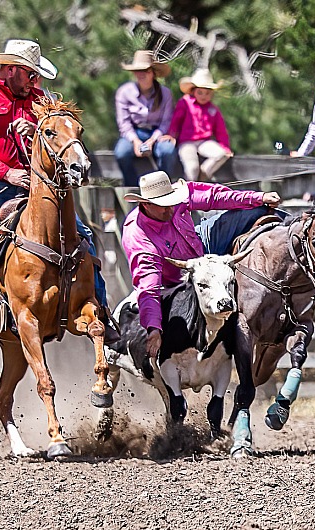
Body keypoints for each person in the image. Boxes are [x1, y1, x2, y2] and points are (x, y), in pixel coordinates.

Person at [0, 39, 113, 354]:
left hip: (36, 186)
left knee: (82, 235)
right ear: (10, 69)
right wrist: (6, 171)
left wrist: (37, 129)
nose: (35, 81)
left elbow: (56, 135)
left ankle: (101, 308)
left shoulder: (39, 99)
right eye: (30, 74)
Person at [122, 170, 280, 357]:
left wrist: (259, 197)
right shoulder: (139, 239)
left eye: (172, 202)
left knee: (260, 210)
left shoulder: (176, 197)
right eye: (163, 206)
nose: (170, 208)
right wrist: (154, 328)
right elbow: (149, 287)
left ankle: (303, 244)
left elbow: (213, 197)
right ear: (145, 204)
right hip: (181, 276)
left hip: (201, 242)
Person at [114, 50, 177, 186]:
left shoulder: (165, 93)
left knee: (168, 151)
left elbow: (166, 122)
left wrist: (152, 140)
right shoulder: (124, 92)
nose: (141, 74)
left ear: (153, 73)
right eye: (138, 70)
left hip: (156, 133)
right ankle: (132, 188)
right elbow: (123, 123)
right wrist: (136, 141)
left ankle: (162, 187)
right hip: (133, 132)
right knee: (121, 152)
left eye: (145, 70)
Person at [167, 68, 233, 181]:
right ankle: (189, 190)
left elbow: (220, 130)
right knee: (192, 168)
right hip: (187, 142)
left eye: (207, 93)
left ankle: (203, 175)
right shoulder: (185, 103)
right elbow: (176, 121)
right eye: (200, 92)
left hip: (204, 141)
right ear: (193, 91)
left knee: (221, 154)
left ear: (211, 94)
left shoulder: (213, 110)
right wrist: (172, 135)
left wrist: (225, 146)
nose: (203, 96)